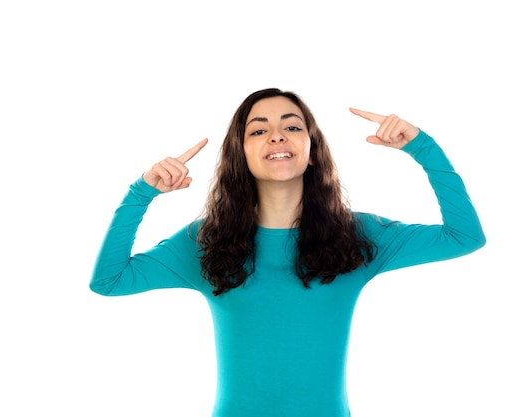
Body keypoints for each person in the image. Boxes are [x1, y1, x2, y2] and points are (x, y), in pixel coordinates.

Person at [90, 88, 486, 417]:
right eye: (258, 130)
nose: (277, 136)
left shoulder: (357, 236)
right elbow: (109, 281)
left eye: (292, 127)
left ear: (311, 150)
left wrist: (423, 148)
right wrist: (142, 192)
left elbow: (464, 236)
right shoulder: (206, 241)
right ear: (240, 154)